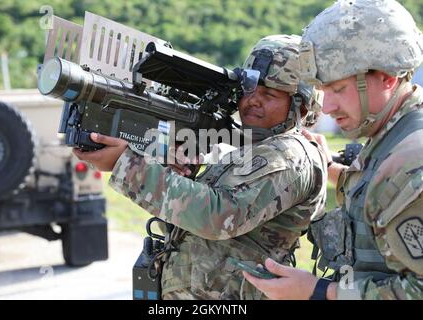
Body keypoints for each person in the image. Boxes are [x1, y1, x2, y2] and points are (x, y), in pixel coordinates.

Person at [74, 35, 326, 299]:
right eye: (249, 89)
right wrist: (178, 176)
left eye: (269, 94)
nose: (253, 100)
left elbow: (220, 217)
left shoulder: (290, 155)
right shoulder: (248, 150)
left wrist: (125, 165)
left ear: (301, 106)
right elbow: (193, 231)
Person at [244, 0, 423, 300]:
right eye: (324, 91)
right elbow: (380, 201)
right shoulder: (393, 135)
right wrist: (334, 172)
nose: (327, 106)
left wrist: (320, 292)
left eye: (338, 90)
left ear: (388, 78)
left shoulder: (409, 164)